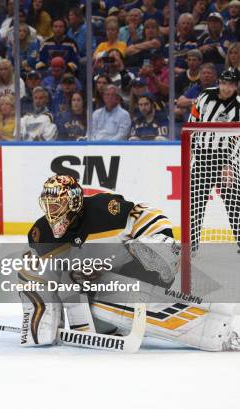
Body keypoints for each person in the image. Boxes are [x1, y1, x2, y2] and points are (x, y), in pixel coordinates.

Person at [19, 174, 240, 352]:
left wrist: (156, 240)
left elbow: (144, 213)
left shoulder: (103, 209)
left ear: (75, 203)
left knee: (151, 253)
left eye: (57, 205)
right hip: (105, 279)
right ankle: (47, 323)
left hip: (133, 259)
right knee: (41, 272)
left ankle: (169, 269)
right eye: (47, 205)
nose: (51, 212)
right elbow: (55, 274)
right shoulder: (41, 233)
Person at [187, 67, 240, 252]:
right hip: (202, 158)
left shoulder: (239, 105)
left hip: (224, 159)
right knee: (195, 202)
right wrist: (191, 148)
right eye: (224, 83)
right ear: (219, 82)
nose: (226, 88)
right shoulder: (204, 96)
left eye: (231, 85)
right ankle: (191, 245)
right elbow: (193, 120)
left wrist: (230, 164)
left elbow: (238, 138)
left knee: (234, 203)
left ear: (236, 87)